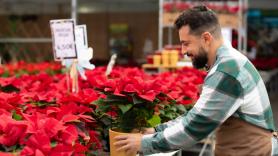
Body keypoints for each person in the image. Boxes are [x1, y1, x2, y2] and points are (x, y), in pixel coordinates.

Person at [114, 5, 277, 156]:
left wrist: (144, 143)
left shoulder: (227, 71)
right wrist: (156, 129)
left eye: (186, 43)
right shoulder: (228, 61)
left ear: (206, 38)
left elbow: (195, 127)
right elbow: (196, 115)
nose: (183, 51)